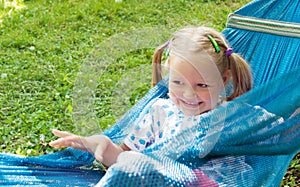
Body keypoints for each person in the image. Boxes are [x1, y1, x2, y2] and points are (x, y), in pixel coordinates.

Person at [49, 26, 252, 168]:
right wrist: (101, 145)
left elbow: (280, 124)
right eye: (177, 82)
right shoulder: (160, 112)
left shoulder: (236, 115)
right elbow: (125, 160)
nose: (189, 94)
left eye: (202, 85)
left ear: (223, 80)